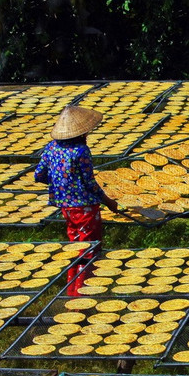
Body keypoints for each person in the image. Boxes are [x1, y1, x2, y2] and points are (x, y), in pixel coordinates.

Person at [35, 105, 119, 296]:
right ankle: (81, 296)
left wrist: (61, 183)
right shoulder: (81, 151)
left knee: (75, 246)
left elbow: (38, 174)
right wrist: (108, 201)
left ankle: (71, 290)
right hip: (84, 209)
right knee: (88, 250)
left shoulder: (51, 148)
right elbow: (90, 183)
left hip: (65, 208)